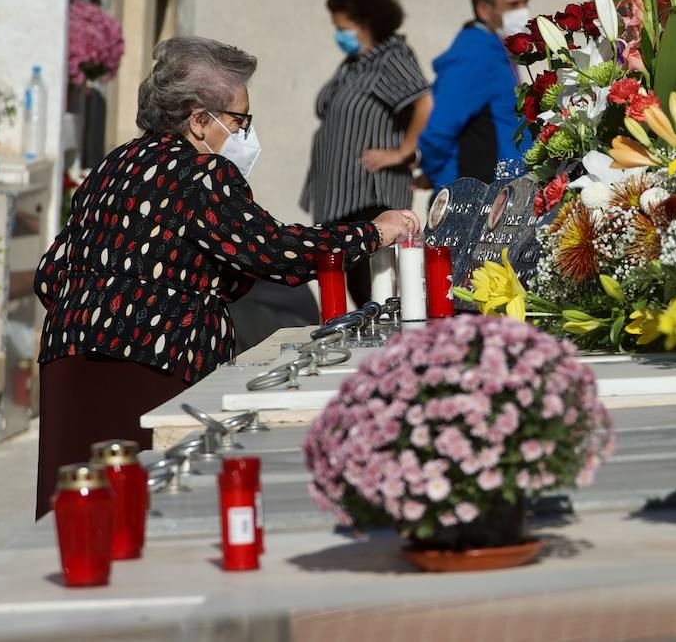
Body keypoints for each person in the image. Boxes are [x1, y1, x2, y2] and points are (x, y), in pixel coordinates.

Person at [33, 37, 420, 518]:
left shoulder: (113, 165)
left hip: (69, 360)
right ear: (199, 120)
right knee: (143, 508)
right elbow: (275, 251)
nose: (244, 134)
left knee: (72, 510)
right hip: (152, 362)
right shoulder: (202, 173)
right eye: (240, 121)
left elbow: (51, 275)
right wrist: (371, 232)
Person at [300, 0, 431, 305]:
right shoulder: (353, 64)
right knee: (349, 284)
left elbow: (423, 101)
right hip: (339, 196)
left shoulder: (392, 56)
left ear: (365, 21)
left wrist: (402, 152)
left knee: (374, 287)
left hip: (369, 193)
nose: (338, 34)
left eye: (343, 26)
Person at [418, 0, 530, 186]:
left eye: (525, 2)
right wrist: (433, 172)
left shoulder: (498, 47)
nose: (524, 11)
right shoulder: (472, 54)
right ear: (484, 10)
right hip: (476, 194)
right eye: (513, 5)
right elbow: (441, 126)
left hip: (507, 188)